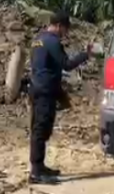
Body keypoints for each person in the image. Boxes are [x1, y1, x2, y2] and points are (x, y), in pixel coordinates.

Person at [29, 11, 91, 184]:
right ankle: (36, 172)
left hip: (37, 89)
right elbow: (67, 65)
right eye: (65, 29)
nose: (65, 33)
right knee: (40, 130)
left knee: (40, 129)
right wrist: (85, 54)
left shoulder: (38, 39)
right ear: (58, 26)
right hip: (45, 92)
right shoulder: (53, 42)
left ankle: (40, 166)